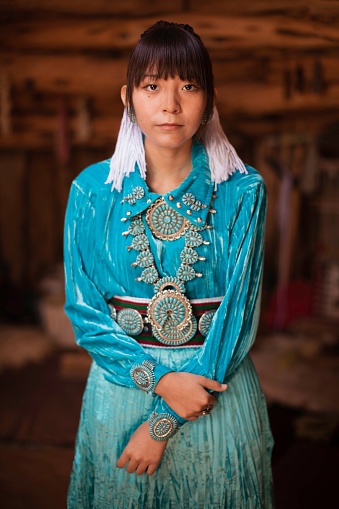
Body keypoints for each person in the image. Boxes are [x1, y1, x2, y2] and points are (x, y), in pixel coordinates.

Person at [64, 20, 274, 509]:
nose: (170, 104)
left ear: (210, 98)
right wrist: (158, 381)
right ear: (128, 97)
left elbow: (238, 318)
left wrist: (163, 424)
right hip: (121, 391)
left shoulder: (244, 192)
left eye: (189, 85)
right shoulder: (92, 192)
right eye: (152, 86)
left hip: (213, 392)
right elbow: (85, 312)